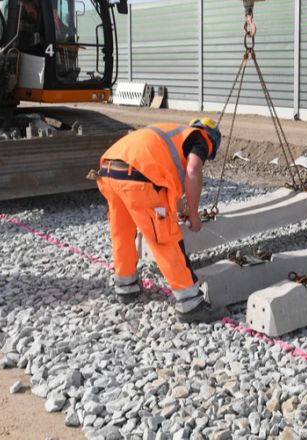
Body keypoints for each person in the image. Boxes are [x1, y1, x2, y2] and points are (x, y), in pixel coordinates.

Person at [94, 118, 223, 323]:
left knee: (123, 233)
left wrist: (180, 209)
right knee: (165, 238)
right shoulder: (200, 138)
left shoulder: (171, 132)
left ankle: (126, 287)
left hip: (110, 171)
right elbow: (192, 171)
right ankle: (190, 303)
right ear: (212, 139)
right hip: (137, 178)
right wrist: (194, 214)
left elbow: (167, 183)